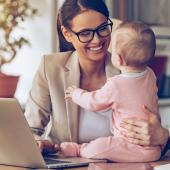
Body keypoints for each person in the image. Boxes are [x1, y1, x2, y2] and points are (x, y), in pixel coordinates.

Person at [24, 0, 168, 155]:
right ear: (67, 34)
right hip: (69, 163)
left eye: (102, 28)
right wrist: (38, 142)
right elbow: (29, 129)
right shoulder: (50, 67)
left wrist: (163, 136)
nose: (97, 40)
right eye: (85, 33)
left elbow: (151, 122)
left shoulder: (131, 67)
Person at [61, 21, 161, 162]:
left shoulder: (116, 84)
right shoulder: (150, 75)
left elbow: (94, 102)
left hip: (129, 145)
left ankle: (80, 149)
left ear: (119, 59)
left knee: (101, 145)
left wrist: (75, 93)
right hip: (154, 149)